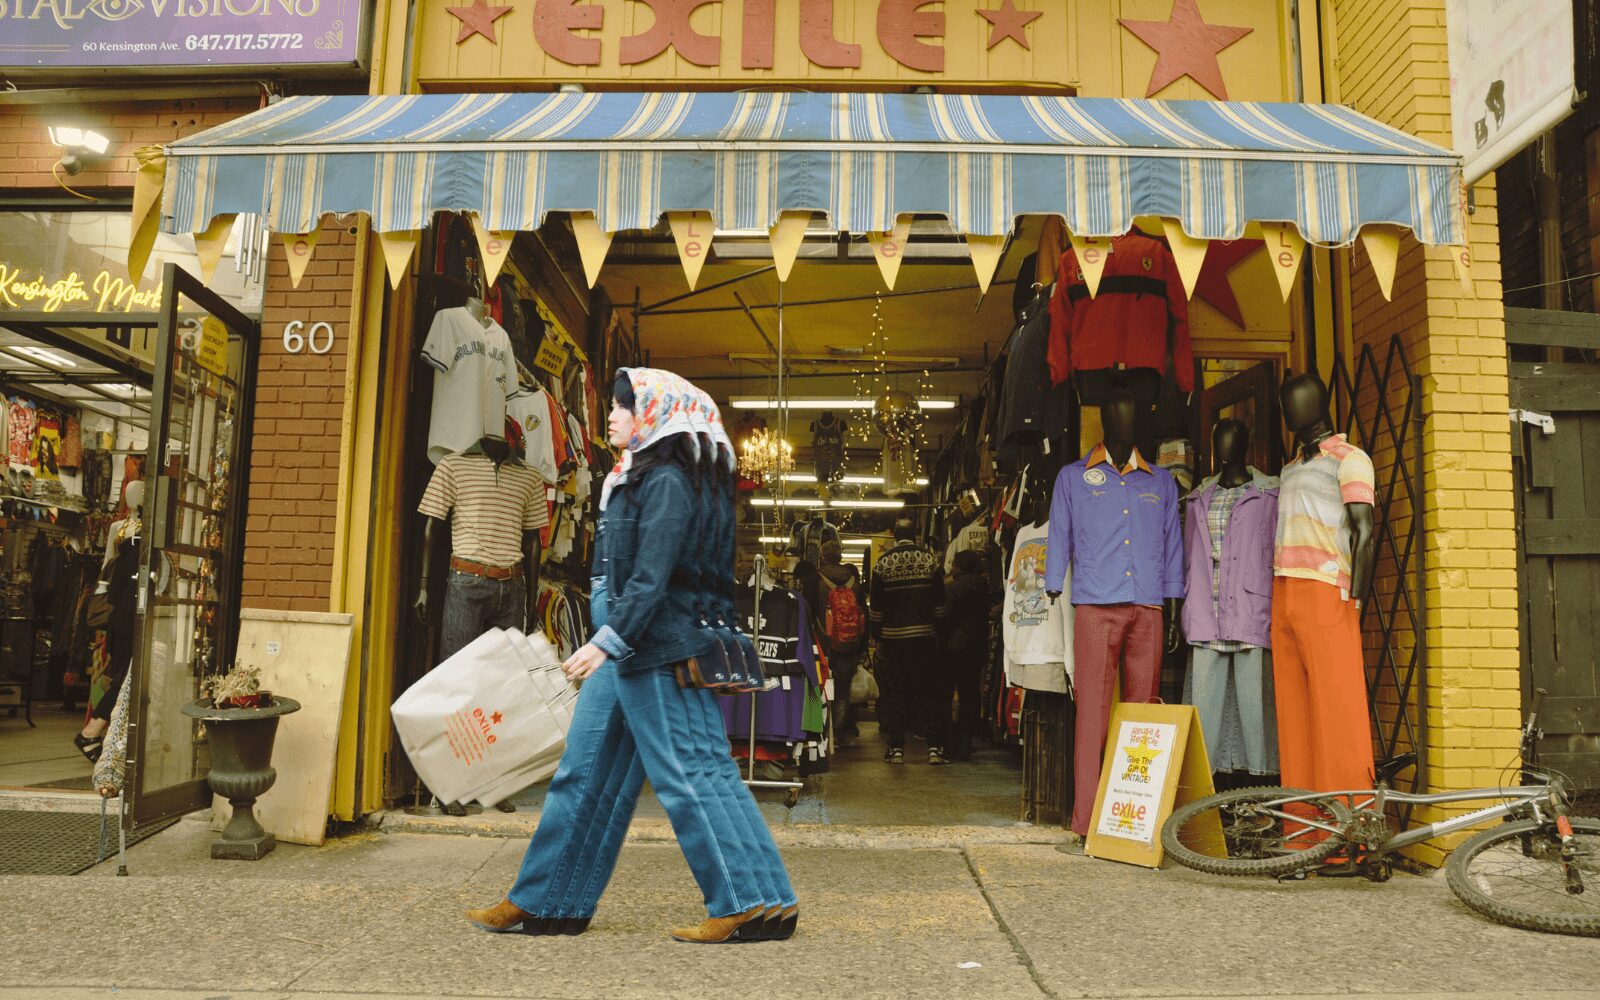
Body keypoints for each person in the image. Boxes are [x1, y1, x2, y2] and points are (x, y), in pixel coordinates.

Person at [466, 367, 797, 944]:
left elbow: (653, 577)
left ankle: (753, 902)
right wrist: (607, 639)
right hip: (629, 647)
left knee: (691, 775)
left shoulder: (666, 480)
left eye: (625, 406)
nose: (612, 415)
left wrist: (605, 642)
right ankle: (547, 901)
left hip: (655, 647)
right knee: (583, 775)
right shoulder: (633, 477)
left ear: (656, 414)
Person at [869, 518, 945, 765]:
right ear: (916, 535)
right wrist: (936, 631)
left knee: (895, 694)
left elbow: (876, 610)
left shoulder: (882, 564)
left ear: (894, 536)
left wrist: (878, 634)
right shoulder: (930, 560)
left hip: (893, 641)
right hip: (924, 638)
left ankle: (896, 749)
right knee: (928, 693)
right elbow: (939, 605)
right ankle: (934, 748)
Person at [939, 549, 993, 761]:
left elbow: (947, 619)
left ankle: (949, 744)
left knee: (945, 696)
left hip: (952, 648)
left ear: (959, 566)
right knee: (970, 697)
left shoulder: (952, 589)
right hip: (976, 648)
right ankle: (964, 745)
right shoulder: (984, 588)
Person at [814, 539, 865, 741]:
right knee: (843, 690)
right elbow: (863, 614)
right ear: (841, 557)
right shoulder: (853, 581)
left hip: (821, 642)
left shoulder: (815, 579)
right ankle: (838, 734)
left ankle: (817, 732)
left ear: (822, 556)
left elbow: (808, 611)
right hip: (848, 644)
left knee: (816, 686)